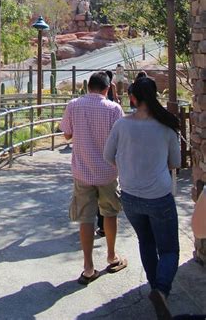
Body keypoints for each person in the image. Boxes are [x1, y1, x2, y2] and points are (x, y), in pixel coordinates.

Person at [104, 76, 180, 320]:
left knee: (146, 242)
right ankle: (161, 289)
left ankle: (154, 287)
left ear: (133, 98)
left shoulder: (121, 125)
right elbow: (176, 162)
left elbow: (108, 155)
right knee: (168, 249)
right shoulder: (166, 127)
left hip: (130, 195)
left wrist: (126, 165)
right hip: (159, 196)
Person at [60, 71, 126, 285]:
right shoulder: (114, 109)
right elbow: (121, 140)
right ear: (107, 88)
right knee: (110, 213)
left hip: (82, 171)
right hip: (108, 171)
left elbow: (67, 134)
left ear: (88, 86)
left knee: (86, 219)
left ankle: (88, 267)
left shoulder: (74, 105)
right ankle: (111, 256)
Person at [96, 70, 120, 236]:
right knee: (108, 203)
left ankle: (97, 225)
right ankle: (105, 229)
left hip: (86, 167)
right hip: (108, 166)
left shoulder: (78, 103)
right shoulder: (112, 90)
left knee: (92, 200)